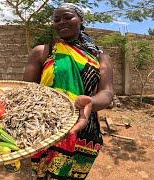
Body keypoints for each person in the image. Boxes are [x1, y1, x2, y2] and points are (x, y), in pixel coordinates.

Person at [23, 3, 114, 179]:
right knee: (42, 175)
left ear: (81, 20)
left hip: (84, 130)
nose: (61, 22)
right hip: (46, 128)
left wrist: (91, 102)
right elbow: (28, 93)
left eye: (68, 17)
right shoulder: (42, 52)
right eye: (56, 19)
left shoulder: (100, 57)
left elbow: (107, 93)